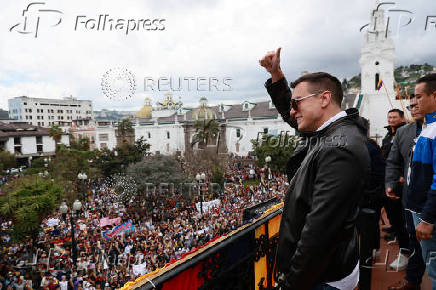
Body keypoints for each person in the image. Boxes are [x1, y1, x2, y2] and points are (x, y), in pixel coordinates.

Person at [260, 48, 370, 290]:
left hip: (321, 278)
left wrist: (291, 283)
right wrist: (277, 76)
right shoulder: (335, 131)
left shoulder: (338, 148)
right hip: (328, 269)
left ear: (324, 99)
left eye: (297, 103)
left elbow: (319, 234)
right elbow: (296, 118)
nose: (292, 111)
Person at [386, 95, 426, 290]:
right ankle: (412, 280)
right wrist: (391, 182)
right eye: (410, 106)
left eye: (417, 103)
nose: (414, 108)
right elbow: (393, 162)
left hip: (431, 199)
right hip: (410, 201)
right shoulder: (403, 133)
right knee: (414, 240)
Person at [407, 73, 436, 289]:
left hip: (427, 214)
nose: (415, 102)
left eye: (419, 96)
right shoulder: (429, 127)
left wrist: (427, 217)